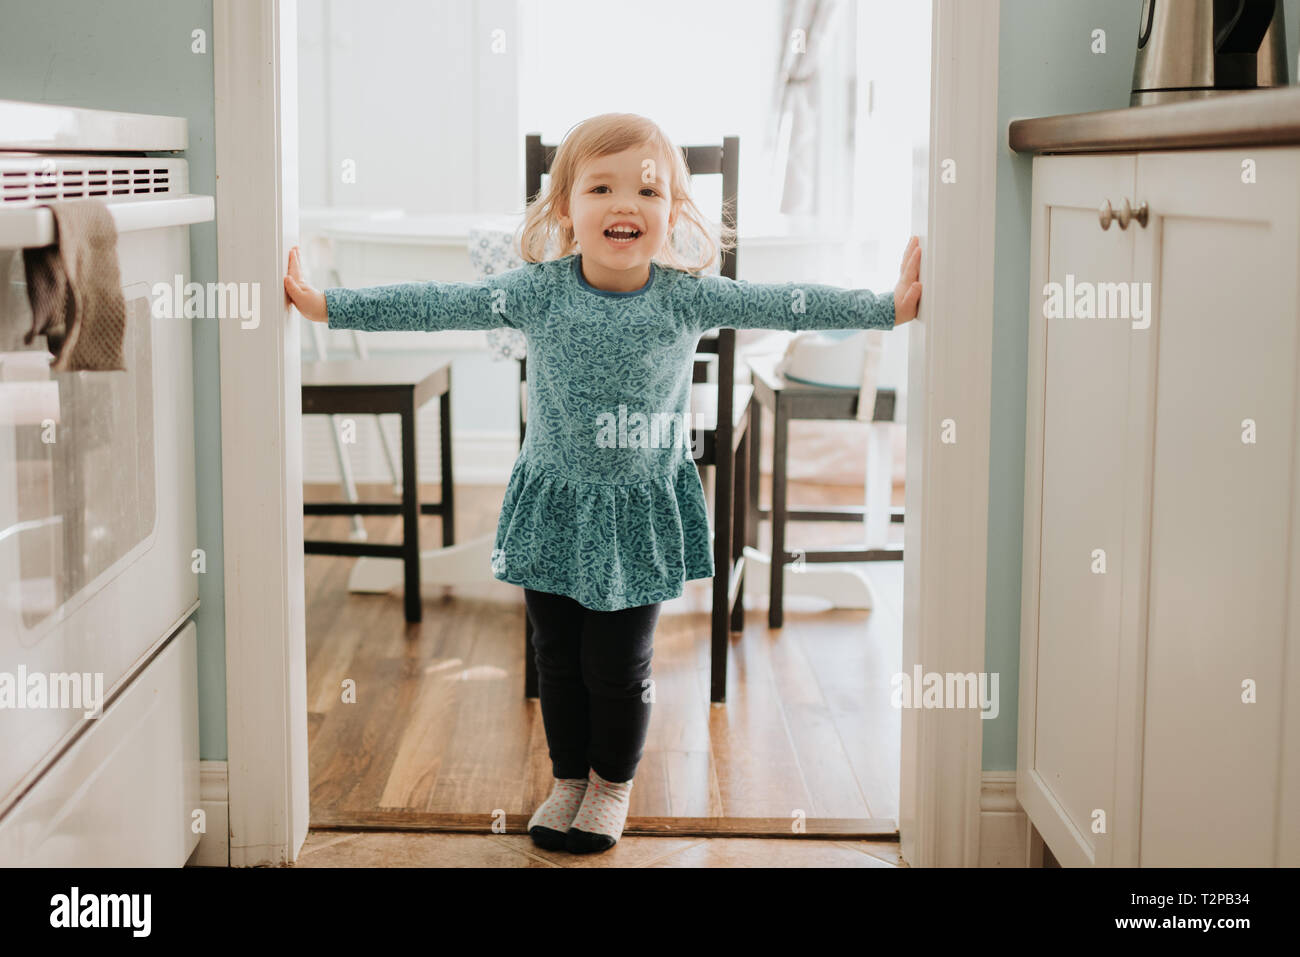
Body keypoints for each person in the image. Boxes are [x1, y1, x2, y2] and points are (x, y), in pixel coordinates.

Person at [284, 112, 921, 855]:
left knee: (616, 665)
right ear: (565, 210)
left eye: (648, 190)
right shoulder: (539, 291)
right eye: (603, 187)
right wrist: (328, 305)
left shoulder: (688, 296)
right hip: (553, 500)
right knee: (556, 653)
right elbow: (437, 300)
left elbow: (788, 301)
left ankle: (612, 784)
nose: (627, 203)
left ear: (673, 214)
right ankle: (567, 778)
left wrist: (885, 307)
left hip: (638, 508)